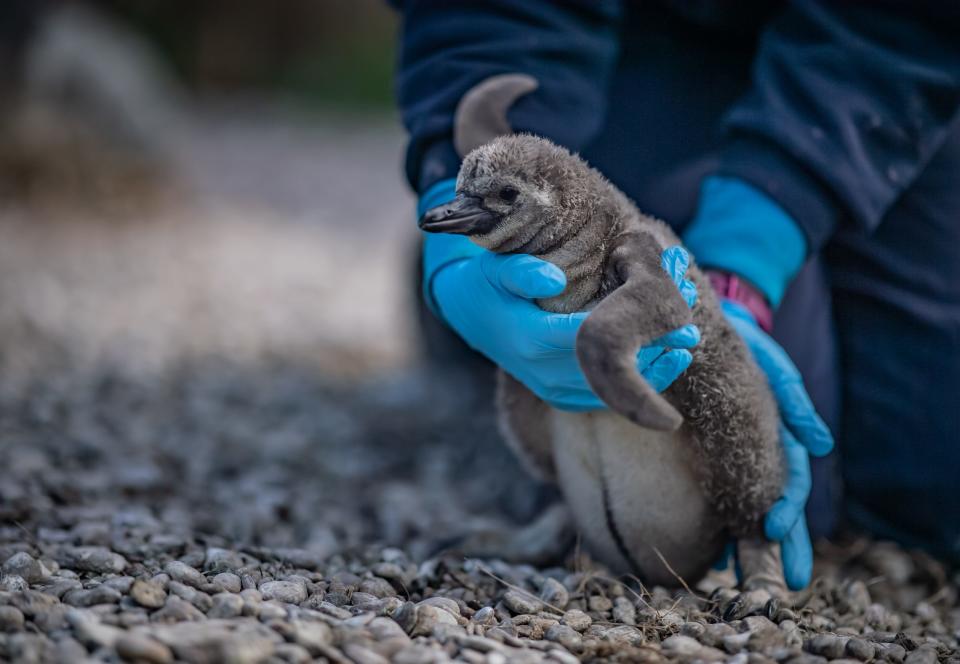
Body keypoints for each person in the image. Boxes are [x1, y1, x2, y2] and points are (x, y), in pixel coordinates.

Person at [392, 0, 960, 588]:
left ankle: (799, 205)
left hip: (870, 70)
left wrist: (745, 257)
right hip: (641, 37)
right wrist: (453, 245)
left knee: (925, 493)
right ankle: (496, 254)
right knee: (698, 489)